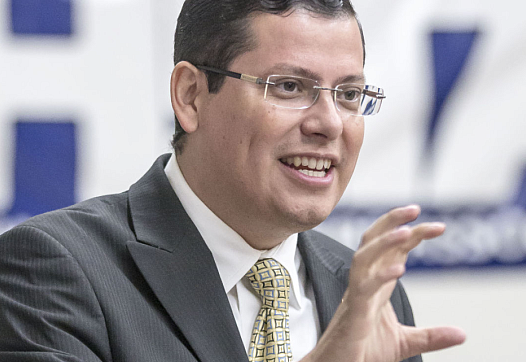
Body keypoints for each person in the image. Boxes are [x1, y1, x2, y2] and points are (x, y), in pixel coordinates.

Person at [0, 1, 466, 361]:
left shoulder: (361, 291)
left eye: (348, 95)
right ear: (191, 96)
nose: (330, 124)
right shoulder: (54, 270)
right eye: (289, 86)